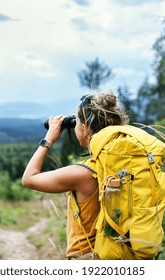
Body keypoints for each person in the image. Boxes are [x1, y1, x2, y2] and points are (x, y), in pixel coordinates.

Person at [22, 90, 129, 259]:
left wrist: (48, 139)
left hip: (87, 257)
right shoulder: (127, 165)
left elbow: (29, 178)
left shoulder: (83, 174)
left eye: (77, 121)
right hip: (122, 255)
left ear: (85, 128)